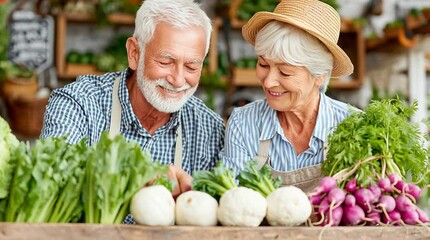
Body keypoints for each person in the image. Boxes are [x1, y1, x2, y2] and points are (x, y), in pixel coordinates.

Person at [40, 0, 225, 219]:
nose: (177, 80)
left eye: (191, 66)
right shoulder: (77, 104)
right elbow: (52, 184)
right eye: (166, 62)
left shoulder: (209, 129)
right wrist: (139, 176)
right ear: (134, 53)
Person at [219, 0, 358, 193]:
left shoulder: (355, 126)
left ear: (319, 75)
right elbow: (234, 200)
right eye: (263, 65)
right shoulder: (243, 123)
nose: (268, 82)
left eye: (285, 72)